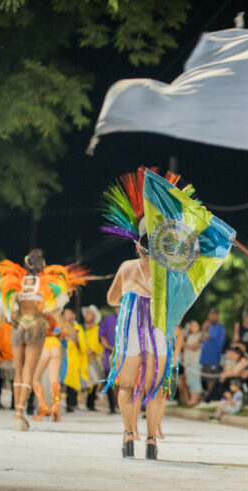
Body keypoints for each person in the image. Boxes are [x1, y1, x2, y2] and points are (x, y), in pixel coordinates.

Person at [100, 170, 171, 460]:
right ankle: (152, 440)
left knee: (127, 385)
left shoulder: (127, 267)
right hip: (158, 327)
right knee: (156, 387)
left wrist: (130, 297)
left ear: (136, 244)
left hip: (130, 327)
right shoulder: (168, 270)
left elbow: (111, 299)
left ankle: (129, 435)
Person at [0, 251, 84, 430]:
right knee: (29, 373)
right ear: (42, 265)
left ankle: (17, 413)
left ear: (26, 265)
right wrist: (69, 330)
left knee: (19, 372)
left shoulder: (16, 281)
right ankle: (20, 414)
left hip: (18, 326)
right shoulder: (45, 283)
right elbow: (54, 312)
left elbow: (3, 309)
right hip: (36, 327)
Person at [82, 305, 104, 411]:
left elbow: (98, 343)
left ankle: (90, 402)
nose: (87, 315)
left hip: (92, 357)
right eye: (87, 313)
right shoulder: (81, 328)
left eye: (90, 314)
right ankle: (70, 404)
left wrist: (92, 349)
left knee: (95, 380)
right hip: (80, 356)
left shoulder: (97, 329)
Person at [199, 308, 225, 400]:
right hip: (205, 358)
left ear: (217, 316)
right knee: (206, 379)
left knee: (212, 380)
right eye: (210, 315)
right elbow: (201, 339)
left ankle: (211, 398)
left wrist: (204, 328)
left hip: (214, 358)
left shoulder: (219, 327)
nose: (211, 317)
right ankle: (209, 397)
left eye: (213, 315)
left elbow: (207, 336)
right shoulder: (208, 328)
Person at [98, 309, 118, 414]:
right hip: (109, 354)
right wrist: (108, 347)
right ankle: (112, 406)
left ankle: (123, 405)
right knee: (110, 381)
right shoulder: (108, 319)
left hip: (126, 355)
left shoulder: (130, 317)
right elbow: (101, 334)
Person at [180, 320, 203, 406]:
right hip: (188, 363)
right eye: (192, 325)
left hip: (195, 361)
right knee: (190, 381)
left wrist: (182, 343)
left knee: (195, 381)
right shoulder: (189, 336)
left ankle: (194, 399)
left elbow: (194, 347)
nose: (193, 327)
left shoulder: (200, 336)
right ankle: (192, 398)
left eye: (195, 325)